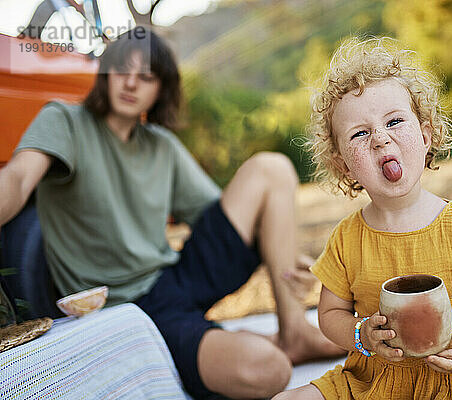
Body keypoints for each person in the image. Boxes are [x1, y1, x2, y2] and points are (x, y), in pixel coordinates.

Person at [0, 28, 343, 399]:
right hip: (128, 310)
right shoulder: (65, 121)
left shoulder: (160, 145)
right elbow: (17, 180)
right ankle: (230, 343)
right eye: (121, 71)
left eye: (146, 76)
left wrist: (287, 259)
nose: (131, 83)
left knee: (271, 168)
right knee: (268, 370)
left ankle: (293, 332)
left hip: (177, 278)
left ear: (161, 88)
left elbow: (227, 220)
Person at [273, 37, 452, 399]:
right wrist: (361, 335)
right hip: (378, 380)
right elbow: (331, 315)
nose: (381, 140)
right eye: (360, 133)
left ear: (426, 135)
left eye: (395, 121)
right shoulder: (347, 238)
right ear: (343, 165)